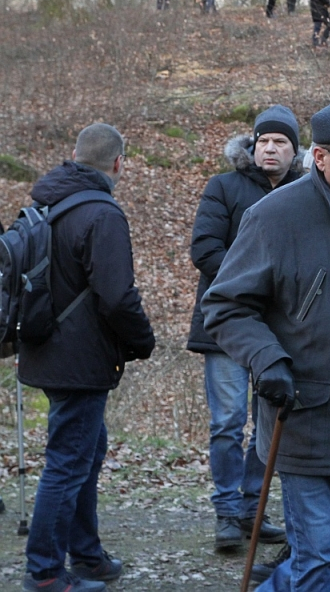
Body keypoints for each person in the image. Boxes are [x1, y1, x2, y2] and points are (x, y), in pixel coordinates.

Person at [203, 102, 330, 593]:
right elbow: (226, 306)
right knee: (316, 554)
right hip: (302, 415)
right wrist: (267, 357)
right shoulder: (273, 217)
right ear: (319, 157)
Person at [19, 124, 155, 593]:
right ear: (118, 163)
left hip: (47, 351)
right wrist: (143, 341)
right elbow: (118, 297)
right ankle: (45, 572)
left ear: (74, 156)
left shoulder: (44, 203)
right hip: (80, 360)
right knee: (68, 462)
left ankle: (88, 555)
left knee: (86, 452)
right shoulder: (102, 214)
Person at [188, 107, 303, 554]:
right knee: (227, 421)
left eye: (280, 142)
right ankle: (226, 513)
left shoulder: (305, 191)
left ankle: (255, 511)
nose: (270, 148)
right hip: (226, 324)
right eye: (263, 141)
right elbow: (205, 249)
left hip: (282, 328)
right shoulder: (224, 186)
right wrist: (254, 284)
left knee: (268, 422)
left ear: (295, 152)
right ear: (252, 146)